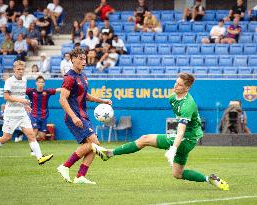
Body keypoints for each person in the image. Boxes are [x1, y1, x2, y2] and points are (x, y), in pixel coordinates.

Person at [92, 72, 229, 191]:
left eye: (179, 85)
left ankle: (109, 153)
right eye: (176, 82)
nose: (175, 86)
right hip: (187, 138)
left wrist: (173, 148)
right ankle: (209, 179)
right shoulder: (173, 98)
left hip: (186, 139)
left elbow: (181, 131)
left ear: (187, 88)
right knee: (177, 174)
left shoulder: (188, 105)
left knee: (145, 139)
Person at [57, 48, 112, 184]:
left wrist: (102, 100)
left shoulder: (83, 76)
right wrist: (74, 117)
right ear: (73, 60)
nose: (84, 61)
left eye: (85, 58)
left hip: (83, 116)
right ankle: (65, 166)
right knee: (95, 144)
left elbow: (84, 95)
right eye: (81, 59)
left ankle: (80, 176)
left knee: (93, 147)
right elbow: (62, 99)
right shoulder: (69, 77)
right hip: (74, 117)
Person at [0, 60, 53, 165]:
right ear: (14, 69)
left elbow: (21, 96)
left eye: (22, 69)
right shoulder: (9, 81)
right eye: (18, 69)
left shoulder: (24, 80)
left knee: (31, 135)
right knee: (6, 138)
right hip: (11, 115)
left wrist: (25, 105)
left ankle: (40, 158)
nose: (20, 71)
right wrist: (22, 101)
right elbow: (6, 97)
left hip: (22, 113)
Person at [26, 75, 61, 143]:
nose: (40, 84)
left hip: (44, 116)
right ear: (36, 83)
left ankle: (34, 145)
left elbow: (58, 90)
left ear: (44, 83)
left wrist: (69, 88)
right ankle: (32, 150)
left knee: (42, 136)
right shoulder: (31, 91)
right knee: (35, 130)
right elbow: (20, 90)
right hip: (34, 116)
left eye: (42, 82)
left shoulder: (47, 92)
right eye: (39, 82)